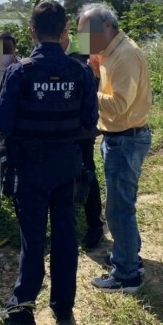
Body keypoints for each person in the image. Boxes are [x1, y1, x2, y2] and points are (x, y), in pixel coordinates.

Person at [0, 1, 98, 325]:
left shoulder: (20, 71)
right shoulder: (79, 71)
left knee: (33, 240)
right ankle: (64, 311)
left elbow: (2, 121)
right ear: (66, 30)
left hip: (30, 168)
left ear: (32, 32)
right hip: (67, 166)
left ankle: (22, 312)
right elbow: (90, 120)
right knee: (66, 236)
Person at [78, 2, 152, 294]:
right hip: (119, 137)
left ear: (106, 27)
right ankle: (128, 256)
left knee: (118, 210)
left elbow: (120, 105)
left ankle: (127, 275)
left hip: (126, 138)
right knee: (122, 205)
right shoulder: (109, 52)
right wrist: (96, 71)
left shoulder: (125, 56)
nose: (84, 41)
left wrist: (87, 91)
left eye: (87, 33)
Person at [62, 34, 105, 250]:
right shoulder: (45, 51)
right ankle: (65, 225)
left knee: (87, 174)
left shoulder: (85, 49)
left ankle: (95, 225)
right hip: (57, 130)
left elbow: (99, 81)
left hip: (82, 129)